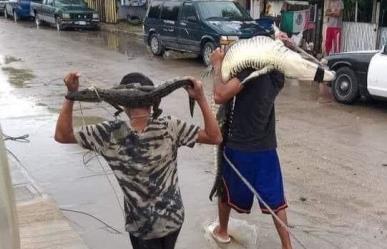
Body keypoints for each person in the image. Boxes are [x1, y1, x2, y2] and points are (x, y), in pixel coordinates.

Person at [54, 72, 222, 249]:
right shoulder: (170, 126)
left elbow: (62, 135)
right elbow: (215, 137)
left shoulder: (110, 133)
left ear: (124, 105)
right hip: (173, 219)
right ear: (153, 103)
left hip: (141, 226)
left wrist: (70, 96)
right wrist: (201, 98)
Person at [209, 48, 293, 249]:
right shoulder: (276, 74)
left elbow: (219, 95)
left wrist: (217, 64)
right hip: (267, 148)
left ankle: (222, 231)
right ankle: (287, 246)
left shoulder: (248, 72)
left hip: (239, 147)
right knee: (276, 199)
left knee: (225, 191)